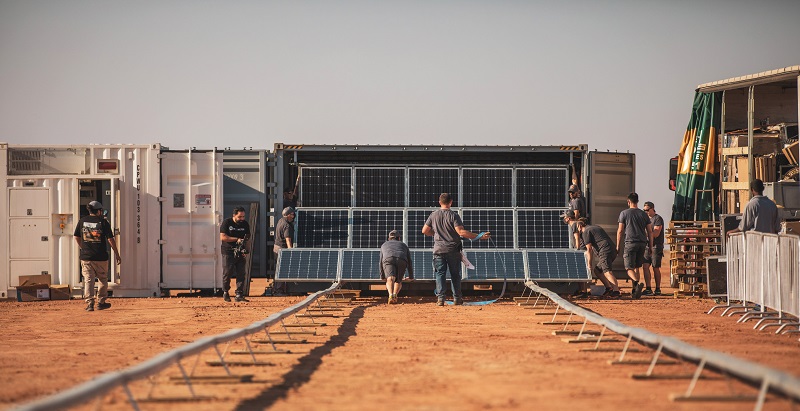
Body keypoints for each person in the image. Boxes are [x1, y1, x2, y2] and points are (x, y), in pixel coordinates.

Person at [422, 193, 491, 306]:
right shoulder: (453, 215)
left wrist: (435, 233)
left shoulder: (433, 215)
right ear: (451, 202)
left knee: (440, 274)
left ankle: (440, 299)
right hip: (453, 250)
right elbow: (461, 232)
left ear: (440, 202)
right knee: (455, 274)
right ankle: (457, 298)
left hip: (438, 250)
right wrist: (479, 236)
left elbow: (424, 231)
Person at [73, 201, 121, 312]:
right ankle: (101, 302)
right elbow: (110, 239)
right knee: (103, 279)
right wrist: (117, 254)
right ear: (99, 211)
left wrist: (83, 248)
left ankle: (90, 304)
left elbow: (76, 236)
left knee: (88, 280)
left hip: (86, 257)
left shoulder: (82, 221)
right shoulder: (103, 222)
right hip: (101, 257)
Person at [616, 192, 653, 299]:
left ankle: (636, 282)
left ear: (629, 202)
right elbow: (650, 231)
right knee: (637, 267)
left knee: (628, 268)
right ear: (637, 201)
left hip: (630, 243)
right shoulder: (643, 214)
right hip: (642, 243)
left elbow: (620, 231)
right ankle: (635, 291)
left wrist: (618, 246)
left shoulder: (624, 213)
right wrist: (650, 246)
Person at [576, 219, 620, 298]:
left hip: (605, 250)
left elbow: (589, 249)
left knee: (607, 271)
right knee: (598, 270)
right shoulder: (595, 227)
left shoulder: (586, 232)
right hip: (612, 250)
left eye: (577, 228)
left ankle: (616, 291)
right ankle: (608, 288)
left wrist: (589, 264)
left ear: (580, 226)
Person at [219, 206, 251, 302]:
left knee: (241, 273)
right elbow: (223, 237)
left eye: (243, 217)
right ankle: (225, 292)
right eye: (239, 217)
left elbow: (248, 238)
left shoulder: (245, 224)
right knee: (227, 273)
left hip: (240, 251)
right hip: (228, 251)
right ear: (234, 215)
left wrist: (246, 250)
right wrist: (236, 239)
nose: (242, 219)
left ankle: (239, 294)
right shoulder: (227, 223)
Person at [379, 230, 414, 304]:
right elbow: (409, 261)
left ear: (389, 238)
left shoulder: (384, 245)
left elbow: (381, 261)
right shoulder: (404, 245)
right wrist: (411, 276)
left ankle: (390, 295)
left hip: (388, 259)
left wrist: (382, 276)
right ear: (399, 238)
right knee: (398, 280)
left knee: (390, 278)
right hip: (401, 259)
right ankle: (395, 295)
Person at [641, 201, 664, 296]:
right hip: (646, 246)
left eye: (647, 210)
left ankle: (658, 288)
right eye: (644, 210)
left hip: (656, 246)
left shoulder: (657, 219)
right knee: (645, 266)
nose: (645, 212)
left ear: (652, 209)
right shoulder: (645, 220)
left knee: (655, 267)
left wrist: (645, 234)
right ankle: (648, 288)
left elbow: (656, 233)